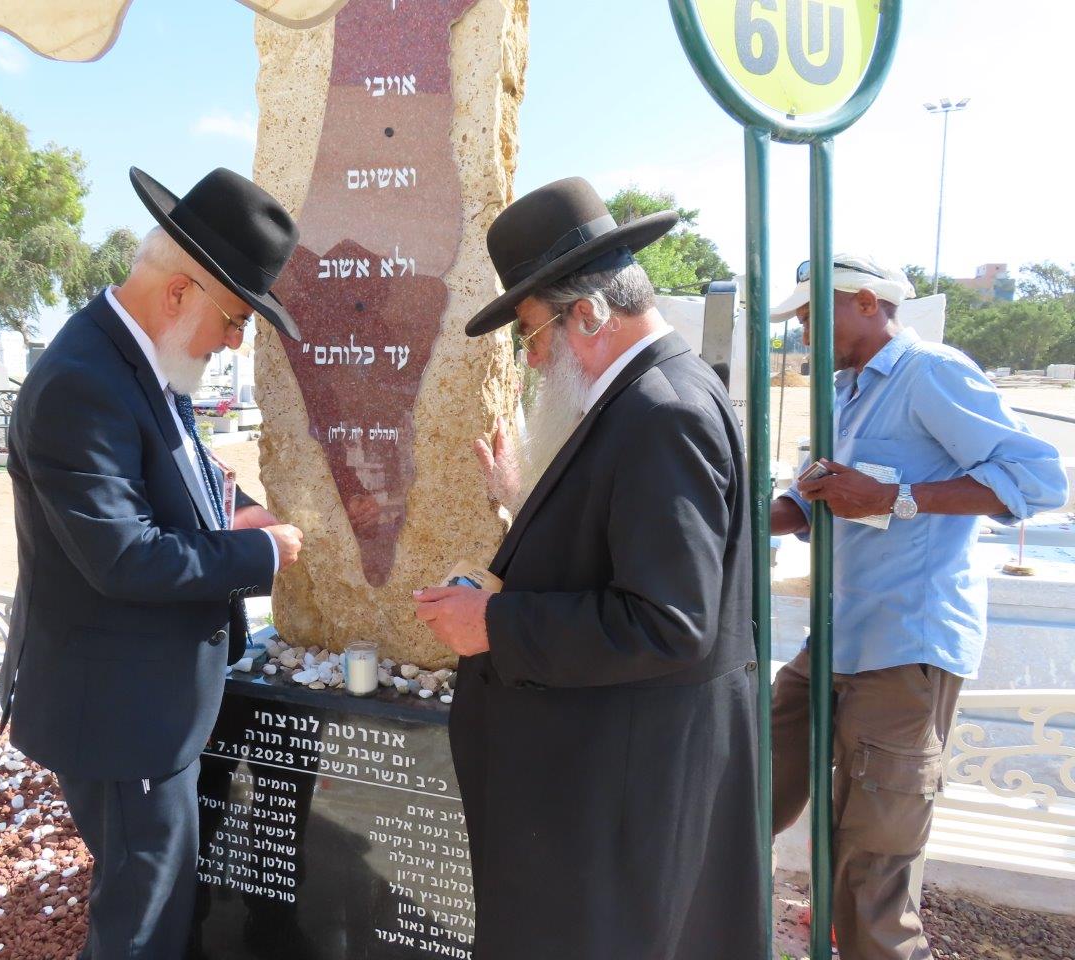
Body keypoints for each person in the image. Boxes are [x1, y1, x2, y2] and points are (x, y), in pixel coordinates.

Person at [414, 177, 765, 958]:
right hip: (610, 781)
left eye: (532, 334)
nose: (532, 360)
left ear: (589, 314)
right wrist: (522, 511)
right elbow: (619, 545)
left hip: (622, 798)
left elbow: (668, 622)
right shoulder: (644, 397)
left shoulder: (660, 412)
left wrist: (493, 623)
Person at [0, 166, 306, 959]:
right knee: (144, 918)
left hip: (146, 704)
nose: (236, 340)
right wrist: (261, 553)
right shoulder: (81, 383)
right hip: (118, 714)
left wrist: (235, 511)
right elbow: (125, 556)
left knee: (161, 897)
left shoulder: (144, 360)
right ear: (180, 293)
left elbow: (179, 474)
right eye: (237, 317)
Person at [768, 255, 1069, 960]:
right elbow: (823, 507)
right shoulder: (846, 394)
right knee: (750, 785)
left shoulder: (929, 372)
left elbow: (1038, 478)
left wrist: (895, 497)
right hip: (836, 639)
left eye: (813, 318)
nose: (805, 336)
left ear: (867, 301)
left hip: (905, 648)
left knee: (871, 867)